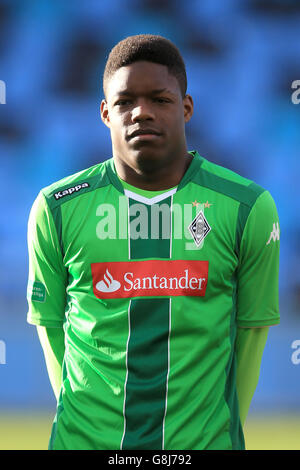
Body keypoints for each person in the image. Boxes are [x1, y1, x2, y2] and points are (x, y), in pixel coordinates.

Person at [27, 34, 280, 450]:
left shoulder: (246, 208)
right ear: (105, 113)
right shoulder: (56, 209)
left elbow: (250, 335)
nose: (141, 112)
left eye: (160, 100)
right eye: (125, 101)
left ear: (186, 108)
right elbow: (52, 329)